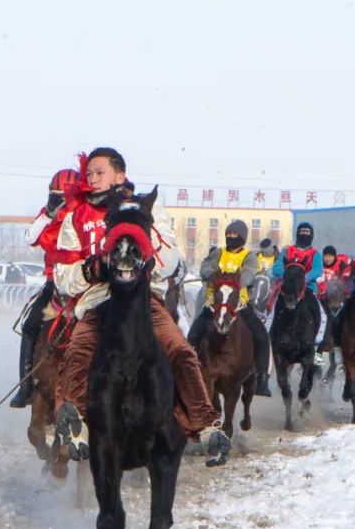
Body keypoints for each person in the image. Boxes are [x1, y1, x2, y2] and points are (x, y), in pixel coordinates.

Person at [51, 147, 226, 456]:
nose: (92, 179)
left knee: (181, 350)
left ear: (120, 176)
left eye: (100, 173)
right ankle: (76, 422)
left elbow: (170, 258)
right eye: (89, 174)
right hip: (98, 302)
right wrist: (91, 270)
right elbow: (62, 275)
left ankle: (205, 425)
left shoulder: (148, 207)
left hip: (143, 301)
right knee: (78, 350)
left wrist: (145, 261)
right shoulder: (75, 217)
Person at [9, 167, 80, 408]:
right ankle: (25, 386)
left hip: (83, 284)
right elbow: (30, 237)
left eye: (65, 195)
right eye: (56, 195)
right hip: (54, 284)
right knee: (30, 324)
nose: (62, 200)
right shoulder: (48, 214)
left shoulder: (85, 214)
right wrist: (48, 214)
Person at [186, 219, 272, 396]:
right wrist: (213, 275)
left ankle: (262, 377)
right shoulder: (218, 253)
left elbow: (247, 276)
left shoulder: (249, 257)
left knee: (261, 334)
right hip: (214, 303)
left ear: (243, 237)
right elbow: (205, 268)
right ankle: (190, 369)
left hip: (238, 304)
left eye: (235, 234)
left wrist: (226, 279)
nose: (231, 237)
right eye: (229, 234)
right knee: (194, 333)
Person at [315, 245, 351, 361]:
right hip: (320, 299)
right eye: (326, 256)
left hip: (336, 301)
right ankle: (318, 356)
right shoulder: (319, 266)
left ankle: (338, 355)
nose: (328, 259)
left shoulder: (340, 266)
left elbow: (345, 282)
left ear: (335, 257)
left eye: (330, 256)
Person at [273, 221, 323, 292]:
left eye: (307, 232)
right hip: (286, 285)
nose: (304, 234)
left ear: (311, 236)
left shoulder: (315, 254)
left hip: (308, 287)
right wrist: (287, 276)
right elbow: (277, 267)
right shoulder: (287, 251)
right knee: (272, 297)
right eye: (302, 232)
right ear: (297, 234)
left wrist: (303, 278)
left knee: (314, 298)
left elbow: (317, 270)